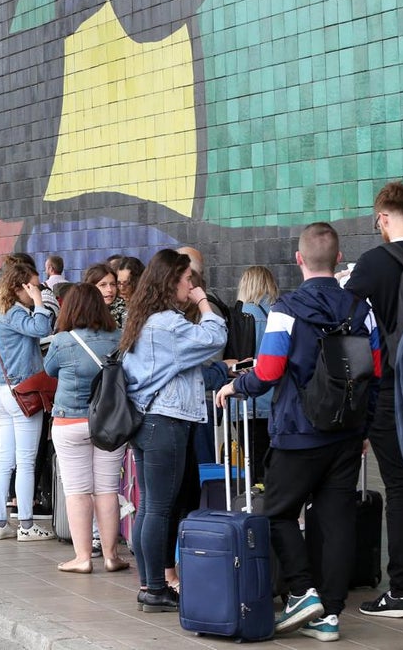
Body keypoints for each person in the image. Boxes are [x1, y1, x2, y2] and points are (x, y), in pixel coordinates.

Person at [217, 222, 381, 640]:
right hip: (346, 433)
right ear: (338, 258)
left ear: (298, 259)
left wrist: (236, 386)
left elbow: (268, 371)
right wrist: (364, 427)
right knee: (336, 522)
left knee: (275, 512)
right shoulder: (362, 310)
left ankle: (302, 591)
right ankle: (330, 615)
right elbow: (375, 375)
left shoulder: (286, 309)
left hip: (298, 432)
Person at [121, 249, 227, 613]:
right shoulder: (168, 324)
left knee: (149, 507)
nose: (191, 285)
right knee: (159, 509)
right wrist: (203, 301)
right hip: (165, 422)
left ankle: (149, 585)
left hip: (145, 422)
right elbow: (215, 336)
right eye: (186, 280)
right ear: (171, 282)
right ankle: (155, 587)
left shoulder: (142, 318)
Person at [345, 179, 403, 621]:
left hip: (393, 390)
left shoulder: (373, 263)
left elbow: (342, 316)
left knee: (400, 486)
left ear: (383, 217)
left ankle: (402, 590)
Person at [43, 284, 126, 572]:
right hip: (109, 422)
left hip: (69, 421)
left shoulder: (62, 341)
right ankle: (111, 556)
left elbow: (49, 370)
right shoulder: (119, 337)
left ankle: (82, 558)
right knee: (107, 490)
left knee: (77, 491)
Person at [0, 260, 56, 537]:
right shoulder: (15, 313)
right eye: (33, 287)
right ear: (18, 288)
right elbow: (42, 328)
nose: (37, 291)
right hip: (22, 393)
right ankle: (26, 525)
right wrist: (39, 302)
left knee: (6, 459)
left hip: (3, 391)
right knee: (25, 461)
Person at [235, 265, 280, 476]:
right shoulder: (280, 313)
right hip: (275, 400)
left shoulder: (242, 314)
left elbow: (240, 361)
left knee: (253, 464)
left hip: (246, 398)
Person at [83, 262, 124, 328]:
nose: (110, 289)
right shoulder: (81, 312)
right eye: (103, 285)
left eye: (113, 284)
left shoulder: (125, 312)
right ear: (91, 287)